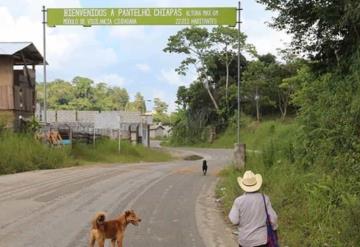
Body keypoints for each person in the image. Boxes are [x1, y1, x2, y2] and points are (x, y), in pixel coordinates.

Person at [228, 170, 278, 247]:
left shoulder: (238, 201)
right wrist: (274, 229)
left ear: (243, 186)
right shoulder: (264, 198)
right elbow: (273, 218)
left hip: (245, 241)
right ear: (256, 184)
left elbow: (234, 221)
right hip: (261, 240)